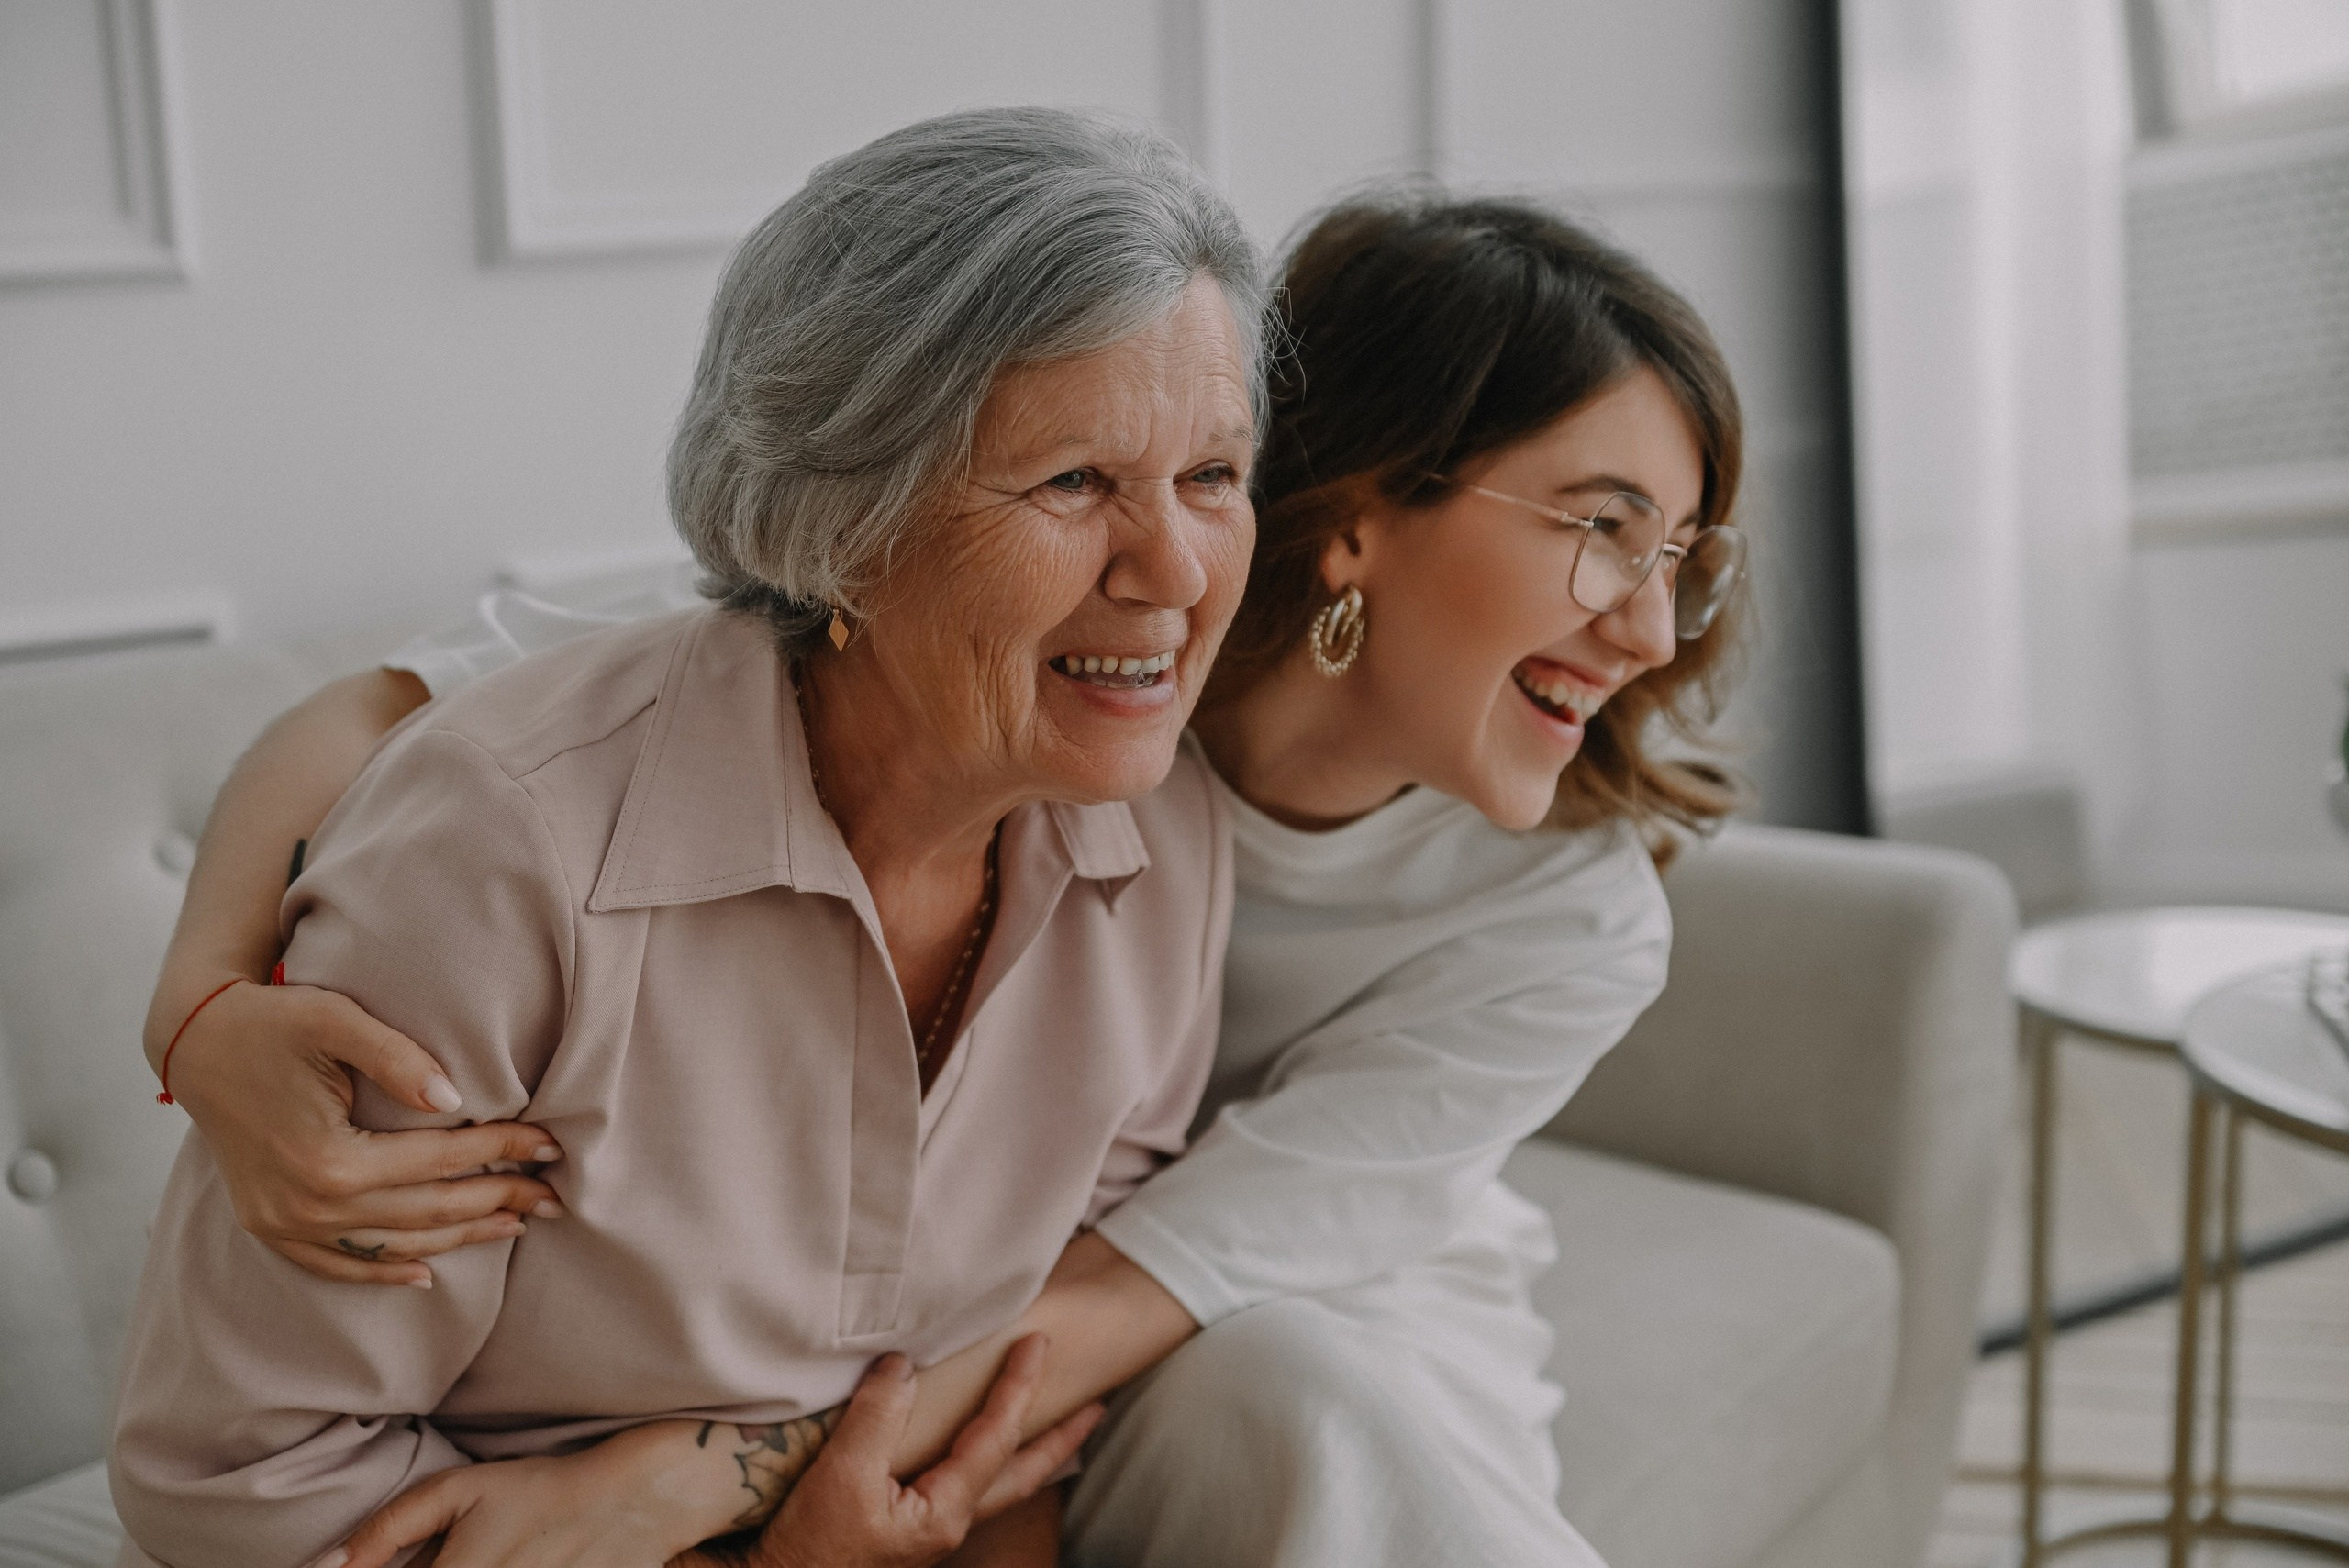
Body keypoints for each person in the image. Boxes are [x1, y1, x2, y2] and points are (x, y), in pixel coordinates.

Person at [148, 192, 1748, 1568]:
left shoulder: (1560, 916)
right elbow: (398, 710)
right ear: (1360, 512)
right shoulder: (1025, 666)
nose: (1653, 631)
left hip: (1261, 1277)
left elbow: (1130, 1280)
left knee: (1315, 1405)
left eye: (1679, 555)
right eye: (1606, 531)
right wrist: (206, 1004)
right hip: (947, 1301)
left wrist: (689, 1479)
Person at [107, 106, 1268, 1568]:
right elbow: (242, 1477)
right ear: (847, 518)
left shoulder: (1164, 832)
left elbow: (1030, 1379)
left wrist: (784, 1492)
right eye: (1076, 482)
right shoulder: (504, 853)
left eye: (1214, 476)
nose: (1173, 568)